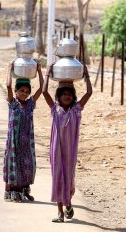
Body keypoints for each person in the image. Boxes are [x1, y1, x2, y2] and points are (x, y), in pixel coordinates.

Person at [42, 63, 92, 222]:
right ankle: (60, 213)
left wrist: (86, 75)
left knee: (68, 179)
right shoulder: (54, 108)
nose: (67, 96)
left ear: (73, 97)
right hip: (56, 151)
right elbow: (43, 91)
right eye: (64, 94)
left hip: (70, 153)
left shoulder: (76, 110)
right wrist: (48, 73)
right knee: (57, 178)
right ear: (58, 96)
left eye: (69, 94)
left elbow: (89, 92)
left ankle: (68, 203)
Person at [3, 62, 43, 202]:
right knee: (15, 165)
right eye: (21, 91)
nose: (24, 94)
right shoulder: (13, 103)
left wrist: (40, 71)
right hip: (14, 142)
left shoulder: (30, 104)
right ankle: (14, 192)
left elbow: (42, 89)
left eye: (27, 92)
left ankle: (24, 191)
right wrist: (9, 69)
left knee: (27, 165)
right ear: (16, 91)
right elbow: (8, 85)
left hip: (27, 142)